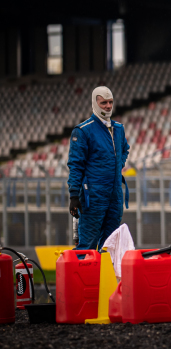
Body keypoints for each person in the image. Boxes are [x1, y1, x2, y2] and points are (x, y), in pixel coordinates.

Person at [68, 86, 130, 251]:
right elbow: (75, 164)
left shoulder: (118, 129)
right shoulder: (83, 131)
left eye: (110, 102)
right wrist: (74, 195)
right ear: (95, 103)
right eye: (104, 103)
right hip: (93, 196)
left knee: (111, 245)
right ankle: (82, 275)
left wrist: (118, 164)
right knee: (87, 244)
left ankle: (105, 277)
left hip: (115, 195)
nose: (108, 106)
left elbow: (125, 149)